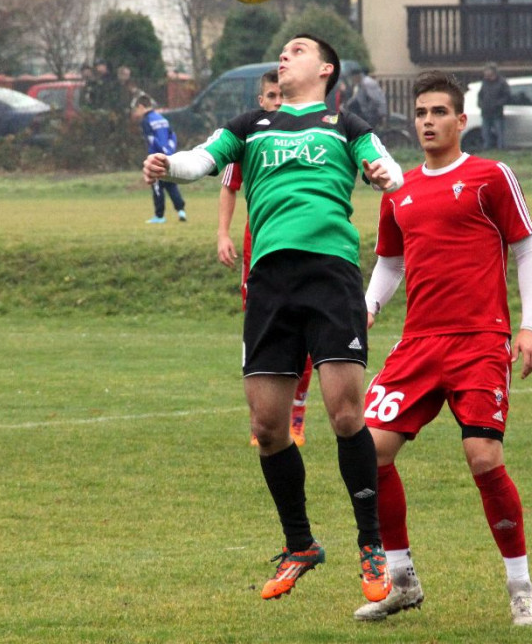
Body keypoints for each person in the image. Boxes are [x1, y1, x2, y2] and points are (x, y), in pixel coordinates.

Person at [142, 34, 404, 605]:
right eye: (282, 52)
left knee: (344, 413)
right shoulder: (250, 126)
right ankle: (301, 544)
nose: (284, 57)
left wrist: (384, 176)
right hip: (270, 284)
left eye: (299, 50)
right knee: (266, 428)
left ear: (326, 69)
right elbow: (201, 159)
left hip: (330, 276)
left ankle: (371, 545)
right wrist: (168, 164)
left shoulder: (346, 127)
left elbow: (390, 169)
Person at [355, 70, 532, 627]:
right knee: (372, 452)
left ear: (462, 120)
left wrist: (527, 327)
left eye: (439, 112)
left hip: (479, 342)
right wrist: (369, 307)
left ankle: (520, 588)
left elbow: (526, 252)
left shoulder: (491, 177)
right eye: (420, 113)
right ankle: (402, 580)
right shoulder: (400, 189)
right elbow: (391, 262)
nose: (428, 122)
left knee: (483, 456)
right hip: (418, 343)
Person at [216, 69, 309, 447]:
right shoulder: (250, 137)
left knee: (303, 330)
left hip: (304, 249)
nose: (277, 103)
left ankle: (297, 418)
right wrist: (223, 233)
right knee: (260, 331)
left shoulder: (307, 137)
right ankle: (265, 418)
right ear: (261, 101)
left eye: (282, 96)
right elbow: (229, 187)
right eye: (272, 96)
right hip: (259, 252)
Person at [132, 93, 186, 224]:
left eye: (135, 109)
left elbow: (153, 140)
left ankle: (159, 216)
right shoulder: (162, 118)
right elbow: (172, 135)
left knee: (156, 186)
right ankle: (181, 211)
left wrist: (160, 151)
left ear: (140, 106)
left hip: (156, 157)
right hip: (168, 156)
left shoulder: (146, 121)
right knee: (171, 184)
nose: (135, 112)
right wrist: (169, 150)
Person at [478, 62, 511, 149]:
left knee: (500, 132)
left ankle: (501, 149)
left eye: (487, 70)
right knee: (485, 133)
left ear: (493, 71)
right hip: (485, 112)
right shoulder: (485, 82)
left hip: (497, 113)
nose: (485, 73)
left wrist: (497, 104)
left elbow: (507, 96)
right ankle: (486, 149)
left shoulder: (502, 82)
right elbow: (480, 95)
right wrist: (480, 104)